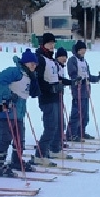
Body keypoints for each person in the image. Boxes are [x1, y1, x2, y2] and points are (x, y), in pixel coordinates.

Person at [0, 49, 40, 177]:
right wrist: (9, 95)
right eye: (31, 63)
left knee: (19, 139)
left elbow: (33, 92)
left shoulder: (30, 76)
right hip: (6, 111)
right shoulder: (15, 71)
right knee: (5, 138)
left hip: (19, 113)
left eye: (35, 64)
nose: (34, 66)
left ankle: (17, 160)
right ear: (25, 63)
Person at [34, 33, 76, 164]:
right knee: (51, 126)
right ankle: (40, 154)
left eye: (53, 43)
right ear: (43, 44)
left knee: (59, 124)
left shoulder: (51, 60)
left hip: (56, 96)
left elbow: (57, 78)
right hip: (47, 98)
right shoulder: (40, 58)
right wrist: (50, 88)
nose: (52, 46)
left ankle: (55, 149)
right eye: (50, 43)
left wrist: (71, 82)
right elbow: (38, 80)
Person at [65, 40, 100, 141]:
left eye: (84, 49)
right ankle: (71, 134)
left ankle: (81, 132)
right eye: (81, 50)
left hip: (85, 91)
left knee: (85, 115)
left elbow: (88, 76)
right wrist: (78, 80)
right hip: (77, 90)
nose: (83, 52)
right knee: (76, 113)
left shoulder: (84, 61)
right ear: (77, 50)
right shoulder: (72, 60)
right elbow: (72, 73)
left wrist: (98, 78)